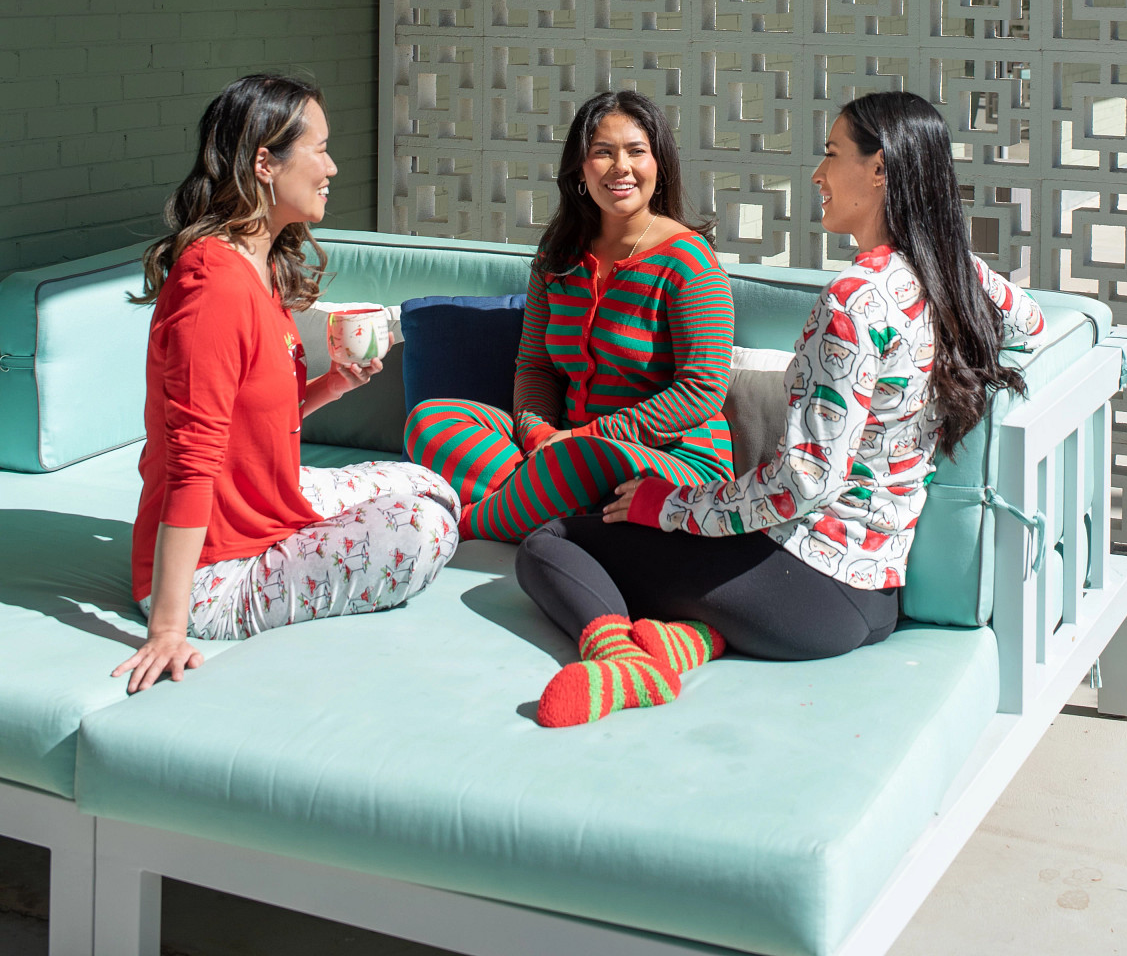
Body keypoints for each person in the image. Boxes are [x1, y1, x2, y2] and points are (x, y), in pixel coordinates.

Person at [515, 90, 1045, 727]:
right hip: (875, 592)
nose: (818, 175)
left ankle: (623, 664)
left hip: (804, 587)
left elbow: (803, 484)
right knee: (646, 553)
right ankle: (686, 643)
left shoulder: (853, 301)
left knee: (551, 544)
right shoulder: (949, 276)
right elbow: (1033, 323)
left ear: (880, 170)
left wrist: (672, 507)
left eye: (831, 155)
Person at [114, 74, 460, 694]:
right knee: (424, 526)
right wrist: (168, 629)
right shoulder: (212, 286)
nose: (332, 165)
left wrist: (329, 388)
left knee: (427, 481)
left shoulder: (258, 261)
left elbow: (249, 417)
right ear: (264, 162)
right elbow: (195, 457)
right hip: (213, 576)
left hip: (263, 502)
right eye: (319, 148)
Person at [404, 91, 734, 548]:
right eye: (602, 152)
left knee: (578, 458)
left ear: (659, 166)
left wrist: (583, 436)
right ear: (580, 169)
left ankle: (457, 527)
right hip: (561, 445)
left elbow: (703, 388)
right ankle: (559, 515)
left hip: (671, 457)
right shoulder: (557, 255)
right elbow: (535, 365)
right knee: (431, 419)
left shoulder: (690, 261)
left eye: (637, 151)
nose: (621, 166)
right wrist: (539, 433)